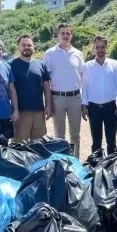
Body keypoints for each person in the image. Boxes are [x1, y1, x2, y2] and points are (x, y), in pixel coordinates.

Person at [43, 23, 85, 158]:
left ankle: (75, 161)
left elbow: (82, 76)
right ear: (58, 35)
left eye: (68, 33)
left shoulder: (78, 53)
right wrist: (48, 103)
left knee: (75, 135)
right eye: (63, 33)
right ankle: (61, 162)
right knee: (59, 135)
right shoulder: (49, 54)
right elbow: (46, 80)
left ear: (71, 35)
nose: (65, 36)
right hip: (57, 98)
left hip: (75, 98)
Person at [81, 36, 117, 154]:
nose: (100, 50)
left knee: (112, 141)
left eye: (102, 47)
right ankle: (96, 167)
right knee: (96, 141)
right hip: (93, 108)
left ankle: (111, 166)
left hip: (110, 107)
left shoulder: (114, 64)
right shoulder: (87, 66)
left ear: (106, 48)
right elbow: (85, 87)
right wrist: (84, 106)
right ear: (94, 48)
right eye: (97, 47)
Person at [9, 34, 52, 142]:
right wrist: (14, 111)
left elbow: (46, 87)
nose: (26, 47)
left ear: (34, 47)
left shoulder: (40, 64)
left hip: (39, 112)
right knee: (19, 147)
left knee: (39, 146)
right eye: (23, 45)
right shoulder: (10, 65)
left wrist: (48, 106)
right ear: (18, 47)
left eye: (29, 45)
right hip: (20, 113)